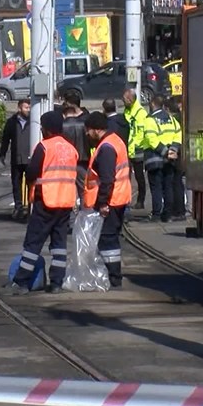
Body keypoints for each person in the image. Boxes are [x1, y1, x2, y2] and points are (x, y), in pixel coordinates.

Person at [5, 112, 78, 295]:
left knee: (33, 243)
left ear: (46, 128)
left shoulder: (44, 147)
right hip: (65, 202)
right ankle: (56, 283)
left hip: (45, 201)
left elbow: (31, 173)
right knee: (59, 245)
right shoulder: (71, 149)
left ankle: (21, 282)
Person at [83, 111, 132, 287]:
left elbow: (107, 178)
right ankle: (113, 275)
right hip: (119, 197)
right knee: (110, 238)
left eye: (88, 130)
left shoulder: (106, 148)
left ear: (96, 130)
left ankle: (113, 277)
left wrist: (103, 202)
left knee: (107, 238)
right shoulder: (115, 141)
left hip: (111, 201)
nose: (87, 134)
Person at [142, 95, 182, 222]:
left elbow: (151, 139)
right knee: (168, 187)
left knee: (156, 188)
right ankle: (167, 214)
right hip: (169, 160)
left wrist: (165, 152)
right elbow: (178, 134)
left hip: (155, 158)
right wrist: (173, 151)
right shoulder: (171, 119)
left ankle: (156, 214)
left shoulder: (150, 120)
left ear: (153, 105)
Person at [0, 99, 31, 219]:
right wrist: (2, 153)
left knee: (30, 183)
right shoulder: (11, 122)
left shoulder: (34, 121)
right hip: (16, 158)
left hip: (29, 158)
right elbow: (6, 138)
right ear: (19, 108)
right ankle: (18, 207)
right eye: (26, 107)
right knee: (16, 183)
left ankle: (30, 207)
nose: (28, 110)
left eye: (29, 107)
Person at [122, 88, 149, 209]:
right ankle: (125, 200)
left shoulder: (141, 113)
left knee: (139, 177)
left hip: (138, 149)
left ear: (130, 99)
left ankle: (141, 200)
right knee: (125, 177)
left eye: (125, 99)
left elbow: (141, 132)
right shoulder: (127, 111)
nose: (123, 101)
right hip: (127, 148)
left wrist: (138, 145)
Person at [61, 90, 90, 195]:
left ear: (69, 104)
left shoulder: (63, 124)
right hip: (84, 159)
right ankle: (85, 210)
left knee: (68, 190)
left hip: (68, 161)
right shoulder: (86, 119)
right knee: (83, 190)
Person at [165, 98, 187, 221]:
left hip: (177, 154)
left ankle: (178, 210)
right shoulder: (181, 117)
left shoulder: (175, 120)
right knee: (178, 182)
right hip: (181, 152)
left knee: (175, 183)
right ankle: (180, 210)